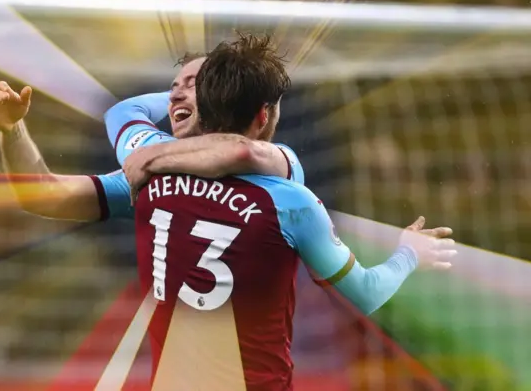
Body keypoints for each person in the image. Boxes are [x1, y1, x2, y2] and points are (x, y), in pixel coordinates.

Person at [108, 33, 456, 391]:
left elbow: (122, 113)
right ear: (264, 114)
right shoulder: (291, 200)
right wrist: (409, 253)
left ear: (204, 108)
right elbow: (365, 293)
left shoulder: (152, 173)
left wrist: (169, 113)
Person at [0, 56, 302, 223]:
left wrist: (149, 157)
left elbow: (241, 152)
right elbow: (42, 196)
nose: (176, 94)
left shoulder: (284, 166)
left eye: (195, 85)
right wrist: (11, 130)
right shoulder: (157, 176)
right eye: (173, 86)